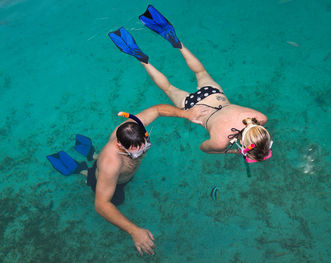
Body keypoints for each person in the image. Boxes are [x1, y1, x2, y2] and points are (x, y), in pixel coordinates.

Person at [109, 5, 273, 163]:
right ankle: (141, 59)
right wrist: (232, 150)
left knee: (200, 72)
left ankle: (177, 42)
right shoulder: (221, 141)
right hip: (195, 108)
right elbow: (204, 148)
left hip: (214, 94)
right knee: (169, 88)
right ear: (244, 146)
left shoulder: (260, 118)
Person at [47, 104, 208, 255]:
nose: (143, 153)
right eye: (136, 153)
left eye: (145, 146)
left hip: (118, 170)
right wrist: (134, 231)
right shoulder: (111, 165)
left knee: (105, 162)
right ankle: (82, 170)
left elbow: (157, 110)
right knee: (116, 199)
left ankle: (93, 155)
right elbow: (101, 205)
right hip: (109, 177)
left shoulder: (133, 127)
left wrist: (184, 113)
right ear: (119, 147)